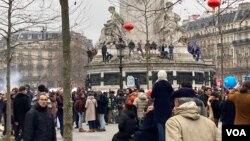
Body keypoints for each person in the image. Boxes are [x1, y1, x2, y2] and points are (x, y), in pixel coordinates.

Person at [151, 70, 173, 141]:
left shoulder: (156, 84)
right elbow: (172, 94)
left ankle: (161, 139)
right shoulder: (168, 84)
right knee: (167, 123)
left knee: (159, 123)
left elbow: (152, 95)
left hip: (158, 106)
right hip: (167, 106)